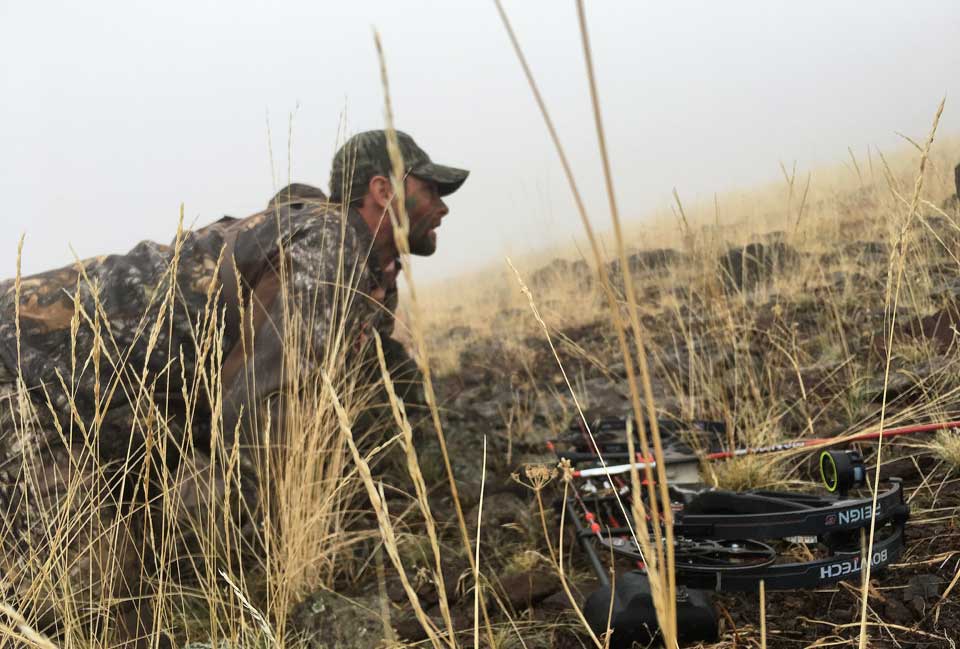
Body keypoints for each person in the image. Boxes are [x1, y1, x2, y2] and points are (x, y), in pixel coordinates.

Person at [0, 129, 468, 643]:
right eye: (432, 190)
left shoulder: (370, 275)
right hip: (27, 381)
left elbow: (381, 373)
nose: (443, 207)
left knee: (144, 587)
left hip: (116, 425)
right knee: (85, 602)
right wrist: (277, 565)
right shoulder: (329, 246)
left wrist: (441, 467)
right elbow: (256, 407)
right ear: (383, 191)